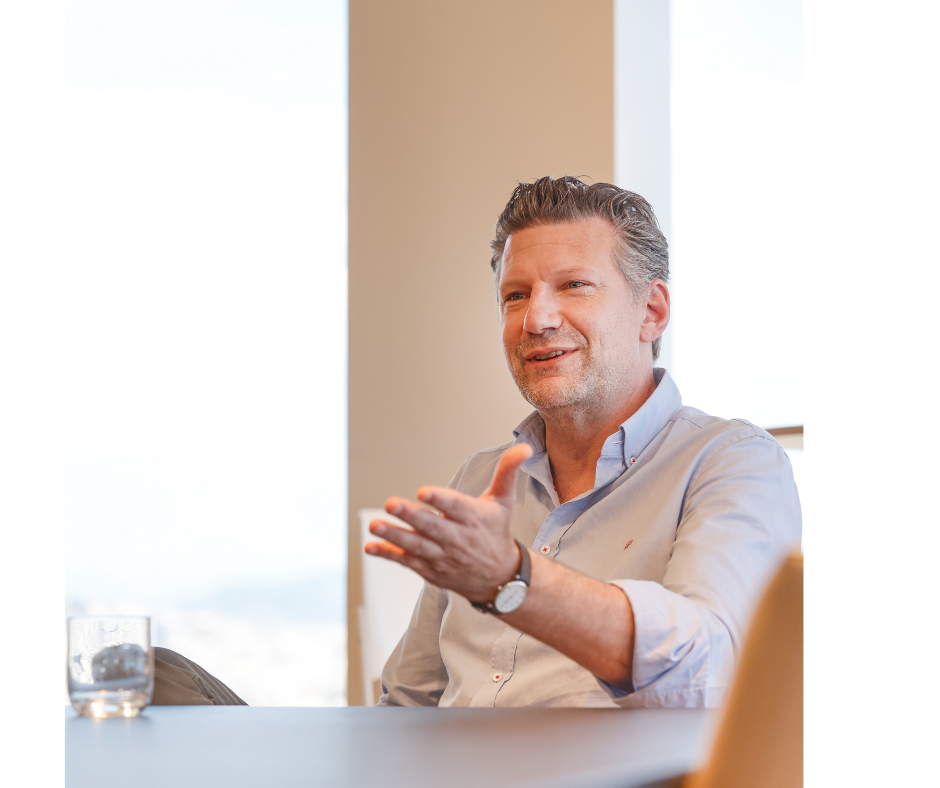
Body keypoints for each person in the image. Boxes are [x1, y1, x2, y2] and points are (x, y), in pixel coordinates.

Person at [364, 175, 801, 708]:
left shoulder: (734, 462)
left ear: (652, 312)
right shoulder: (478, 479)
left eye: (574, 285)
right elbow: (406, 702)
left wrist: (512, 579)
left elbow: (709, 667)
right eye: (515, 295)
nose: (536, 319)